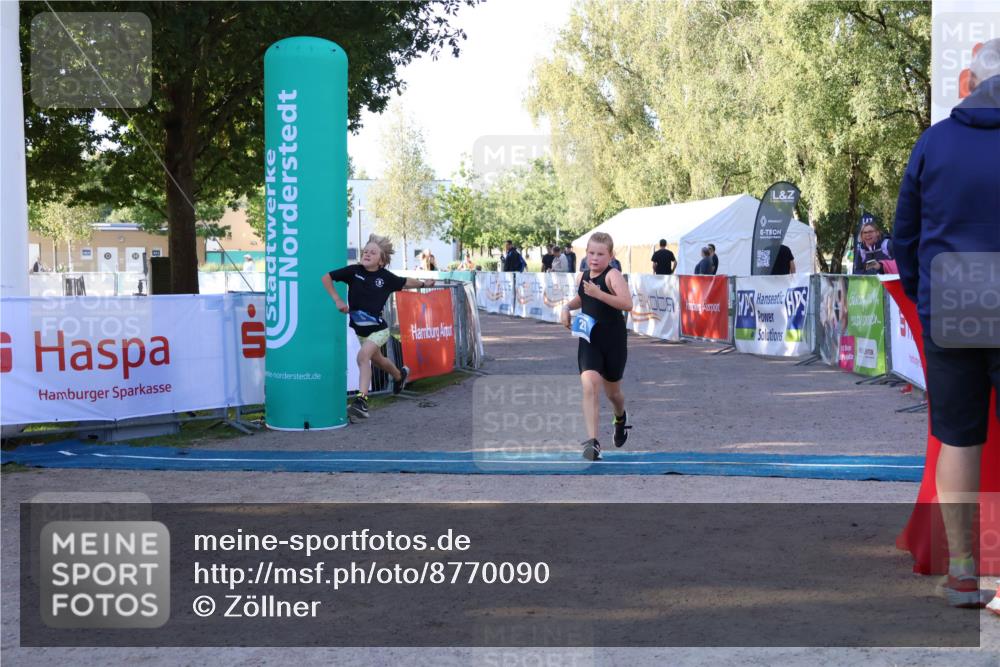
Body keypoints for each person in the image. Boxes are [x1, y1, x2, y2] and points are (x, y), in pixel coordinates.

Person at [892, 39, 1000, 611]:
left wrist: (923, 293)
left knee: (957, 437)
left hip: (953, 296)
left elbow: (902, 234)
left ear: (969, 82)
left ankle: (963, 574)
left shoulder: (934, 141)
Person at [322, 234, 436, 420]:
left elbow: (406, 282)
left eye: (373, 253)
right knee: (378, 360)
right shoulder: (353, 271)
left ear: (381, 260)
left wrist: (423, 283)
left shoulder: (385, 277)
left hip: (379, 330)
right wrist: (337, 299)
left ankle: (361, 402)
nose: (367, 254)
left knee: (362, 357)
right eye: (365, 251)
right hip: (360, 331)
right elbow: (326, 277)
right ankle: (400, 376)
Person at [560, 232, 634, 461]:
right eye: (591, 253)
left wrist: (600, 293)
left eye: (600, 254)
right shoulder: (582, 276)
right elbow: (583, 299)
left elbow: (627, 304)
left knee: (614, 394)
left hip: (613, 341)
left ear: (610, 256)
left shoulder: (613, 276)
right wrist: (566, 308)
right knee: (590, 385)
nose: (595, 258)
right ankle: (592, 443)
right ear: (586, 253)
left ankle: (620, 418)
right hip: (589, 340)